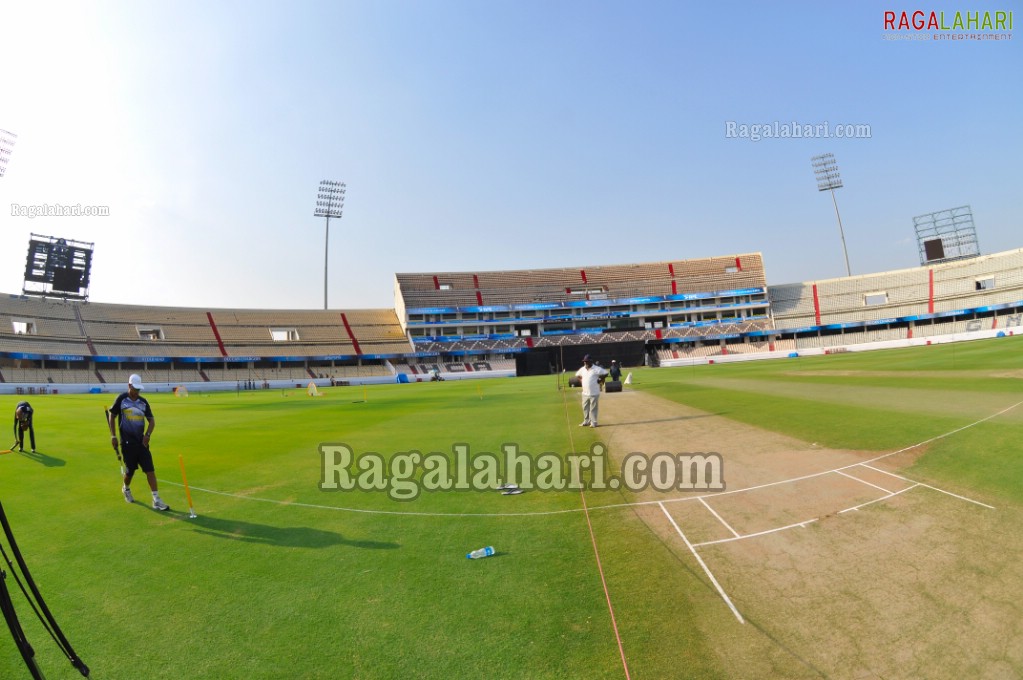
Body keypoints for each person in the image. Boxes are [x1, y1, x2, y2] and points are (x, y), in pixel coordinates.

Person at [107, 374, 170, 511]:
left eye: (138, 389)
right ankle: (126, 488)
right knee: (130, 472)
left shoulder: (143, 402)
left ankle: (156, 499)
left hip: (142, 443)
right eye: (135, 389)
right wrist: (113, 436)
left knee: (150, 470)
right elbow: (112, 415)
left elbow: (152, 421)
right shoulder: (122, 399)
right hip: (127, 444)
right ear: (129, 386)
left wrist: (147, 435)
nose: (137, 392)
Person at [575, 355, 609, 427]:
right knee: (585, 408)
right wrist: (582, 380)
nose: (585, 363)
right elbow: (577, 375)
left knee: (593, 408)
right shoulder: (583, 369)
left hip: (594, 392)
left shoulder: (596, 368)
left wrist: (600, 379)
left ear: (591, 361)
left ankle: (593, 422)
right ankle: (586, 421)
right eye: (584, 362)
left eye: (587, 361)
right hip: (585, 393)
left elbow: (606, 373)